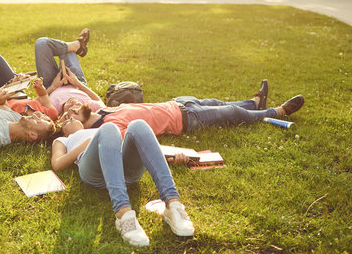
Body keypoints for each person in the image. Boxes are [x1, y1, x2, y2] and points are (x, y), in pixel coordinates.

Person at [51, 118, 195, 247]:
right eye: (64, 119)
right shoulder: (64, 140)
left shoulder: (99, 125)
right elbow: (57, 163)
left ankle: (173, 204)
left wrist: (169, 158)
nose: (69, 116)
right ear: (62, 131)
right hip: (94, 173)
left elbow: (144, 145)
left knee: (138, 124)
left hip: (123, 169)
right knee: (109, 129)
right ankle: (123, 213)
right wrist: (88, 143)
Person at [57, 80, 305, 138]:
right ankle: (276, 112)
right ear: (76, 125)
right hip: (186, 120)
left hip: (178, 103)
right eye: (70, 114)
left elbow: (89, 97)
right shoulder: (109, 129)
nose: (74, 108)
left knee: (219, 103)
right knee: (233, 114)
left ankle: (255, 102)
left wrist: (76, 85)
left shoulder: (100, 111)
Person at [34, 29, 105, 114]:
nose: (73, 103)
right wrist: (77, 82)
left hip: (51, 84)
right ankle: (75, 47)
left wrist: (53, 86)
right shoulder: (88, 107)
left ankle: (76, 46)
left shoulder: (54, 111)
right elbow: (99, 101)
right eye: (79, 107)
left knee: (41, 44)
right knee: (68, 51)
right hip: (76, 83)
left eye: (72, 110)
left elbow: (33, 103)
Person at [0, 53, 58, 120]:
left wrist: (11, 84)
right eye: (46, 117)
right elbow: (43, 96)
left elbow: (1, 104)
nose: (40, 114)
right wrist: (39, 87)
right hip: (19, 94)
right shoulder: (52, 114)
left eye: (41, 119)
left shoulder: (20, 120)